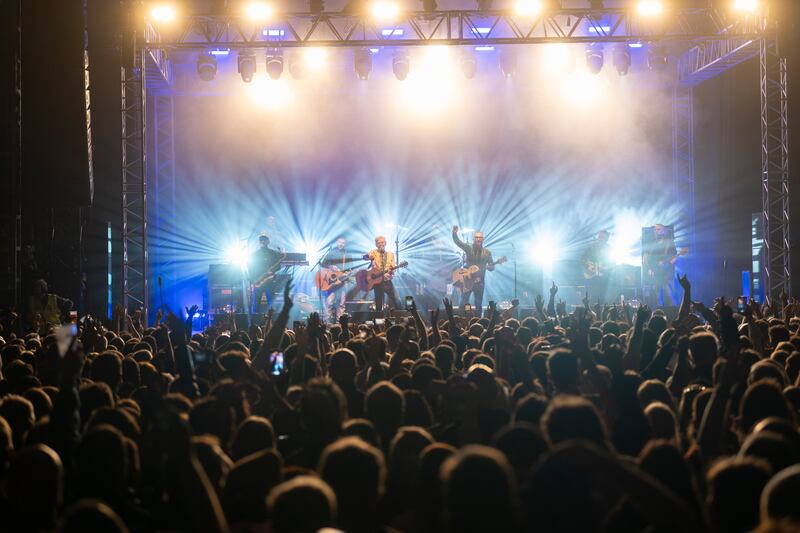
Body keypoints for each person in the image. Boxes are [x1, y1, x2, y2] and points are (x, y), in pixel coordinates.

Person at [451, 226, 495, 317]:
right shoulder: (468, 248)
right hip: (468, 281)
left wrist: (490, 267)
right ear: (474, 239)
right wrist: (454, 233)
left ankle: (478, 322)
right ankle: (463, 320)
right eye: (477, 237)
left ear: (483, 239)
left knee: (478, 304)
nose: (478, 239)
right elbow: (458, 242)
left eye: (480, 237)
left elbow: (491, 267)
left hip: (480, 282)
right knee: (464, 303)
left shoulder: (487, 253)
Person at [643, 224, 678, 307]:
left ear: (664, 231)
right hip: (655, 274)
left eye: (658, 229)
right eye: (655, 230)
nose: (656, 231)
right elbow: (646, 258)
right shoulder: (652, 244)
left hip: (667, 274)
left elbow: (674, 257)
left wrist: (667, 263)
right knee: (657, 297)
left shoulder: (669, 243)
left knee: (670, 295)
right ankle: (659, 315)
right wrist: (649, 269)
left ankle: (674, 315)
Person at [318, 238, 352, 323]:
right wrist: (331, 266)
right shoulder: (331, 252)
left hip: (343, 281)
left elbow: (351, 267)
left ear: (345, 244)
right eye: (339, 242)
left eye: (343, 243)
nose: (341, 244)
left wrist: (348, 273)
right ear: (337, 243)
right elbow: (323, 264)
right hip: (332, 281)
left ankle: (339, 324)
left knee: (341, 304)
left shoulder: (347, 254)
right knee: (329, 302)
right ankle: (327, 323)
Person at [364, 236, 399, 314]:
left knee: (396, 300)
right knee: (379, 303)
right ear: (376, 244)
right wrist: (368, 256)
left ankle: (400, 317)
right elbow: (364, 257)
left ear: (385, 243)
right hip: (377, 282)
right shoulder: (373, 252)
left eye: (382, 242)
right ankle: (378, 321)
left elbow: (393, 268)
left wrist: (390, 272)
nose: (381, 244)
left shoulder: (390, 254)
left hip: (387, 281)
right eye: (379, 243)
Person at [251, 234, 284, 313]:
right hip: (259, 280)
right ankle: (254, 319)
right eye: (261, 240)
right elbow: (251, 267)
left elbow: (278, 266)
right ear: (259, 242)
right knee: (257, 302)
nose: (262, 241)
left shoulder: (273, 253)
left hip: (269, 280)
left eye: (264, 240)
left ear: (268, 242)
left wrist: (271, 271)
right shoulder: (255, 254)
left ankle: (272, 319)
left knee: (271, 301)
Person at [582, 230, 611, 304]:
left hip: (603, 279)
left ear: (606, 238)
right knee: (591, 298)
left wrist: (605, 268)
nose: (600, 238)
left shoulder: (609, 249)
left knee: (602, 299)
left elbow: (612, 263)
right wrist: (588, 266)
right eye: (599, 236)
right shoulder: (592, 247)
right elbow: (583, 258)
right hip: (591, 278)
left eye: (602, 237)